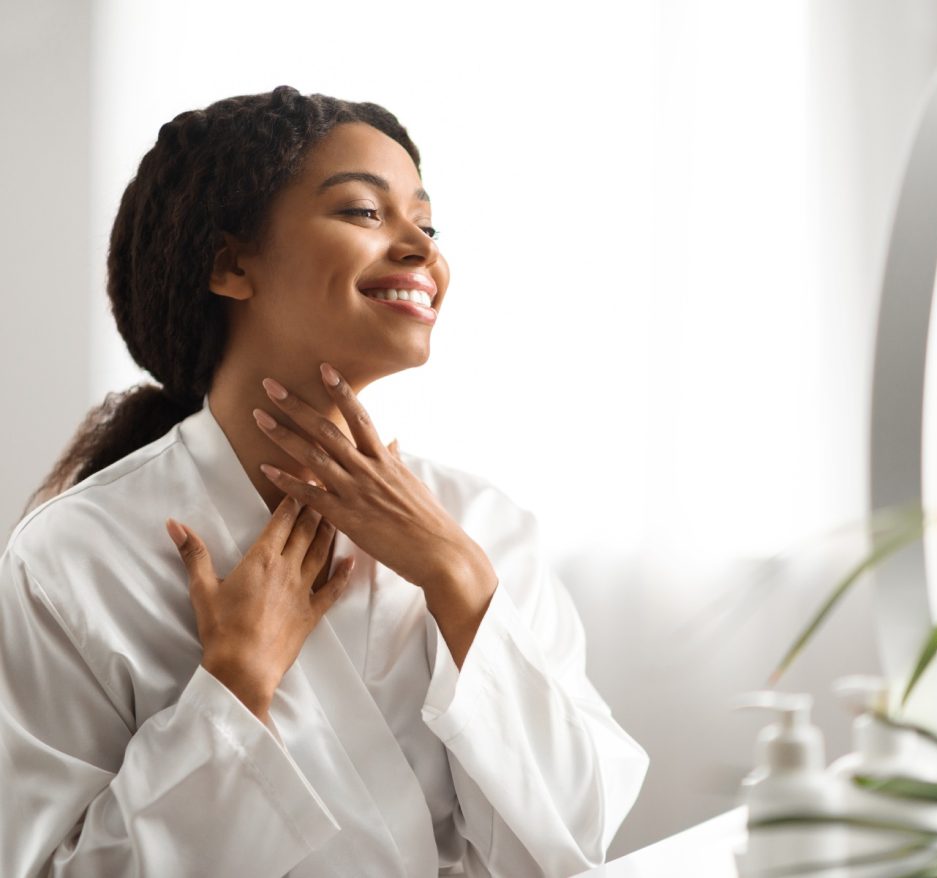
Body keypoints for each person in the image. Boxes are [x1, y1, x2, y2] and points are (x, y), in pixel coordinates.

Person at [0, 85, 649, 877]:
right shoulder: (75, 557)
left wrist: (456, 575)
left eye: (427, 221)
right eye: (364, 213)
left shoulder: (483, 526)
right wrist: (234, 683)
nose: (421, 249)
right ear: (231, 262)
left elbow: (577, 847)